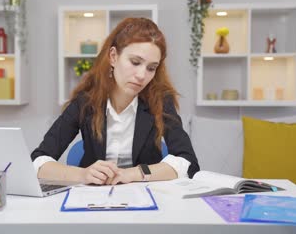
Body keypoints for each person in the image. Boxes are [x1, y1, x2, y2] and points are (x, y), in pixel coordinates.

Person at [31, 17, 200, 185]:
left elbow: (188, 163)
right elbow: (38, 161)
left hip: (145, 199)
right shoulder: (85, 102)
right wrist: (83, 174)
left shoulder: (160, 101)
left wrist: (135, 173)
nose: (142, 76)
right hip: (93, 198)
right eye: (135, 62)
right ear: (113, 56)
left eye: (151, 68)